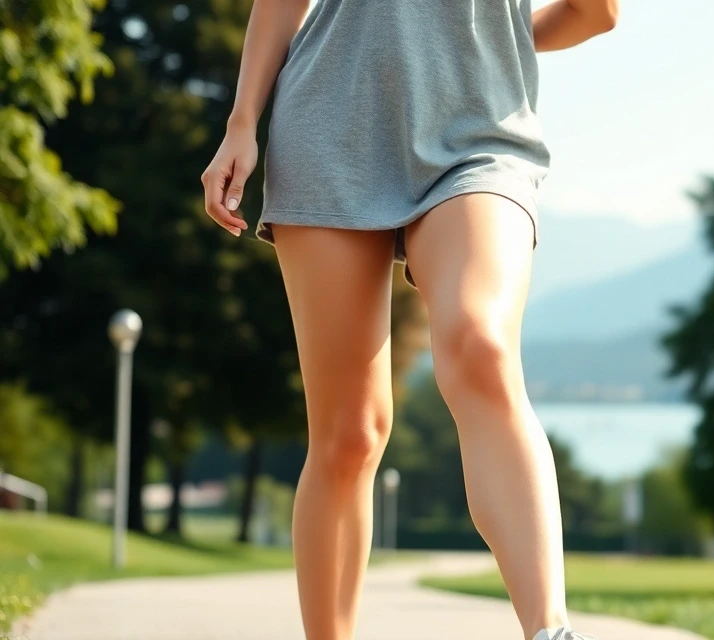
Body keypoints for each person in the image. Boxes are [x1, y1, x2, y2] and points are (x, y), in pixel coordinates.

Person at [200, 0, 618, 638]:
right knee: (349, 434)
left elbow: (598, 11)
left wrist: (481, 41)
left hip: (481, 129)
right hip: (328, 121)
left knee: (481, 347)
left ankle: (549, 630)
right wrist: (241, 124)